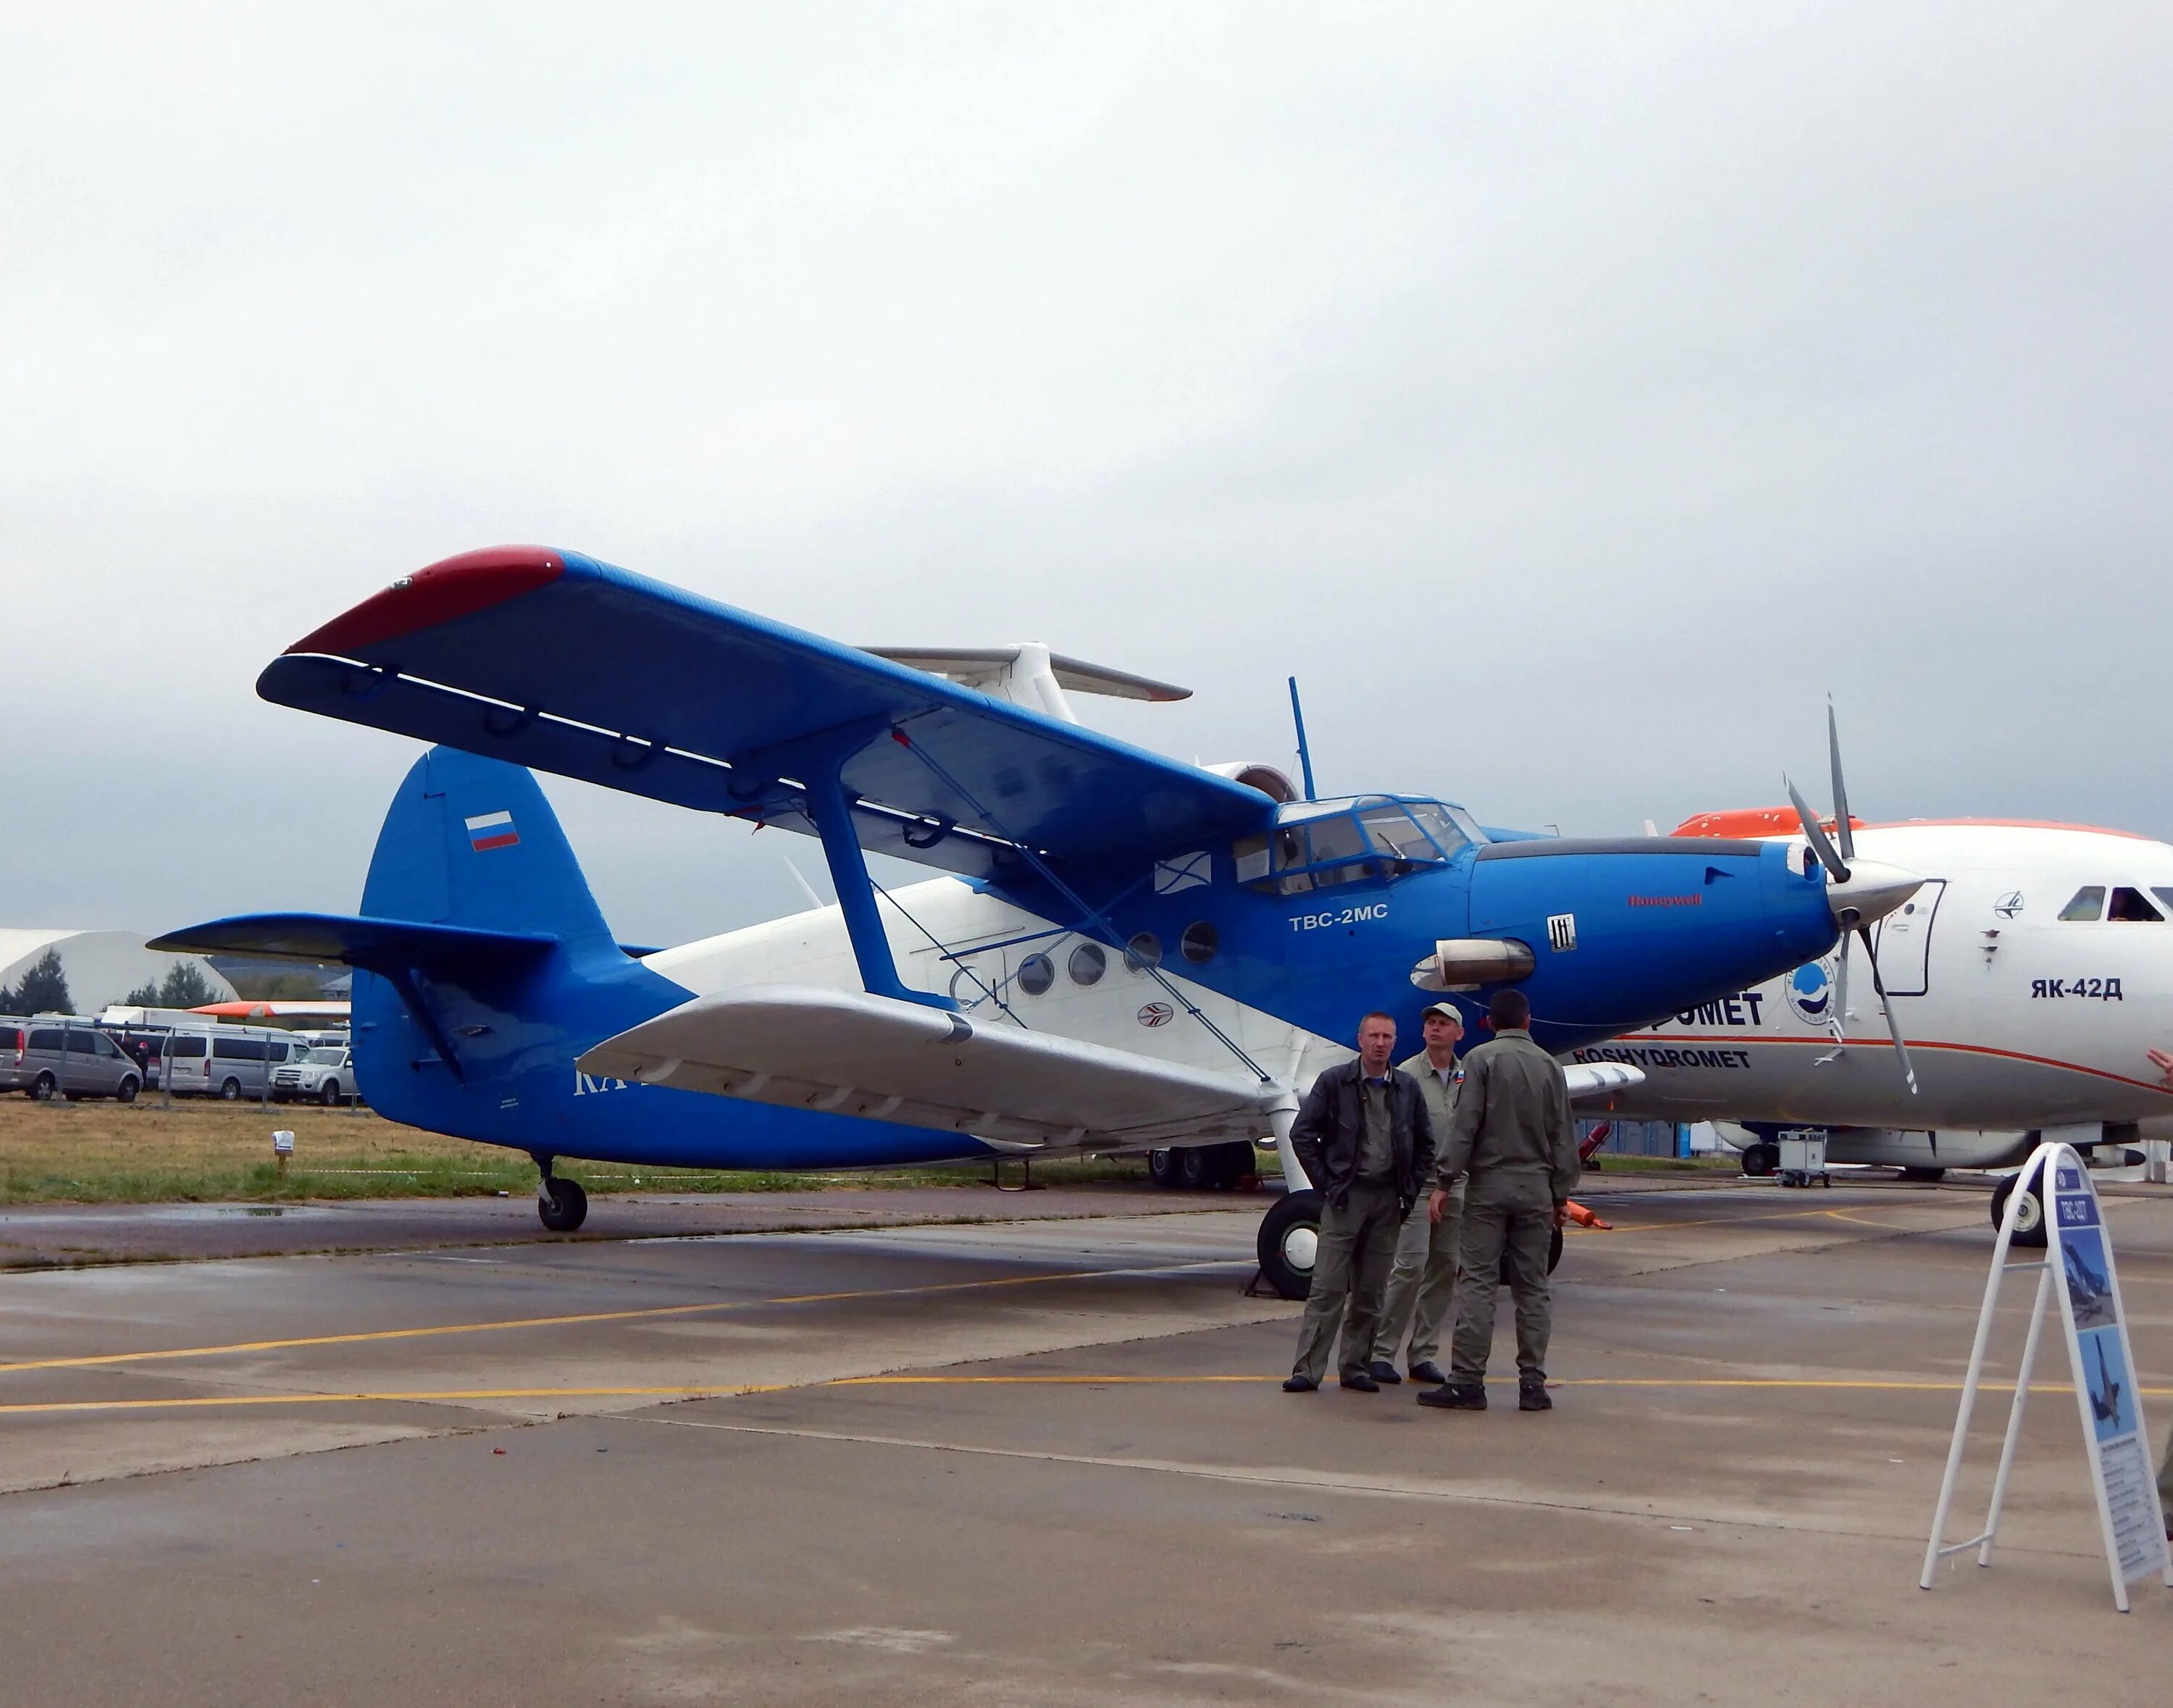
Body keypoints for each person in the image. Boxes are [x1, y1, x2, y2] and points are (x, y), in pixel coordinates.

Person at [1418, 987, 1577, 1413]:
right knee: (1533, 1288)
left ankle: (1468, 1381)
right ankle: (1533, 1385)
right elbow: (1563, 1135)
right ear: (1528, 1021)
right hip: (1536, 1190)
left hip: (1489, 1187)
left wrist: (1444, 1180)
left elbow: (1465, 1124)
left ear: (1489, 1023)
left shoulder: (1480, 1060)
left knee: (1479, 1284)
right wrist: (1561, 1194)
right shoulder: (1550, 1067)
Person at [1284, 1011, 1436, 1394]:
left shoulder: (1408, 1089)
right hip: (1345, 1197)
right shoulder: (1335, 1082)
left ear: (1395, 1042)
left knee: (1372, 1291)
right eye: (1374, 1036)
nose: (1380, 1043)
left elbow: (1426, 1146)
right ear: (1360, 1039)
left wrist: (1409, 1190)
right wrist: (1327, 1184)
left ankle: (1355, 1367)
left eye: (1387, 1036)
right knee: (1328, 1288)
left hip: (1388, 1200)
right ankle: (1307, 1370)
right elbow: (1302, 1134)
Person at [1365, 1002, 1465, 1386]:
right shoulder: (1405, 1075)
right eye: (1431, 1024)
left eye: (1444, 1024)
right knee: (1409, 1267)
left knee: (1444, 1268)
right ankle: (1380, 1352)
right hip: (1418, 1186)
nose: (1435, 1029)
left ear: (1459, 1033)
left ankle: (1423, 1353)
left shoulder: (1469, 1076)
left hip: (1457, 1183)